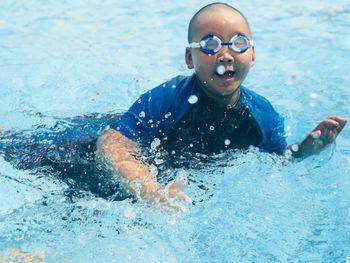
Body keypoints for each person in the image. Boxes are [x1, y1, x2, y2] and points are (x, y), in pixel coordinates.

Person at [95, 2, 347, 212]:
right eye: (210, 44)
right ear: (189, 58)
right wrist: (151, 191)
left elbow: (277, 160)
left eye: (238, 43)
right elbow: (112, 142)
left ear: (253, 54)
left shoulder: (264, 115)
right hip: (140, 163)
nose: (225, 55)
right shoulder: (167, 99)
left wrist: (303, 150)